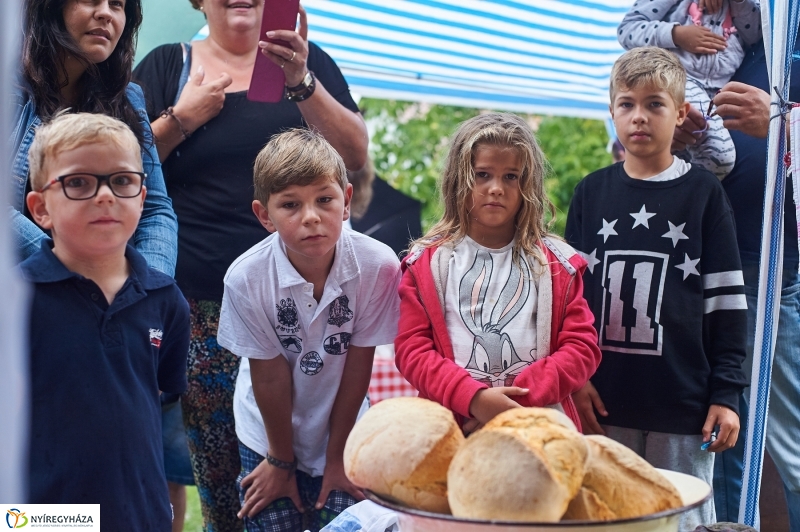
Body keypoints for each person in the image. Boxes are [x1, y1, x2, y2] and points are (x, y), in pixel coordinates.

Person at [132, 1, 368, 528]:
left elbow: (353, 152)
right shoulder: (168, 65)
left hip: (309, 306)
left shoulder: (308, 62)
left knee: (316, 466)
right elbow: (125, 169)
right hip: (203, 308)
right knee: (226, 482)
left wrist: (301, 80)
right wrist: (182, 118)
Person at [565, 47, 748, 530]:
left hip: (684, 409)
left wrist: (727, 394)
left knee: (680, 522)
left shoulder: (705, 193)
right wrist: (575, 379)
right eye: (626, 104)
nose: (639, 117)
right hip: (604, 404)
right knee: (606, 518)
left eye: (655, 104)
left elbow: (728, 304)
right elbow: (569, 301)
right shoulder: (590, 193)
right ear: (611, 112)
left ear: (681, 113)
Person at [216, 129, 400, 532]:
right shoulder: (246, 279)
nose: (311, 217)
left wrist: (338, 459)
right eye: (290, 205)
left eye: (324, 199)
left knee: (348, 522)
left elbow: (358, 365)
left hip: (344, 425)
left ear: (346, 201)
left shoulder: (378, 266)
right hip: (266, 431)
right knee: (272, 522)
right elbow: (269, 376)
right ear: (265, 215)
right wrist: (280, 461)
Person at [20, 112, 190, 531]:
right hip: (44, 517)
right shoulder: (16, 301)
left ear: (142, 195)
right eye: (78, 182)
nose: (105, 196)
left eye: (121, 181)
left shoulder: (166, 299)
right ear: (41, 208)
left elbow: (151, 395)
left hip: (141, 512)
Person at [394, 112, 601, 435]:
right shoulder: (425, 264)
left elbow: (582, 346)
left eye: (511, 177)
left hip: (541, 427)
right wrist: (474, 398)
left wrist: (516, 401)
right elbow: (412, 351)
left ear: (528, 183)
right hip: (454, 431)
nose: (496, 188)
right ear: (457, 179)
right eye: (482, 174)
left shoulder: (557, 264)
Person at [674, 39, 800, 529]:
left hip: (770, 265)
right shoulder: (737, 36)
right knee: (724, 422)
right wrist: (682, 134)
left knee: (774, 434)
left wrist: (780, 120)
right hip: (707, 258)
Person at [11, 0, 177, 276]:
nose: (105, 14)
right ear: (51, 8)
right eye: (90, 0)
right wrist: (77, 273)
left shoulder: (128, 98)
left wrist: (148, 290)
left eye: (117, 5)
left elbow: (154, 209)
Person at [617, 0, 762, 180]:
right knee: (720, 156)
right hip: (677, 80)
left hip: (717, 92)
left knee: (686, 155)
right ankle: (683, 196)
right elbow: (627, 30)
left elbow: (757, 36)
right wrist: (676, 34)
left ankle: (669, 198)